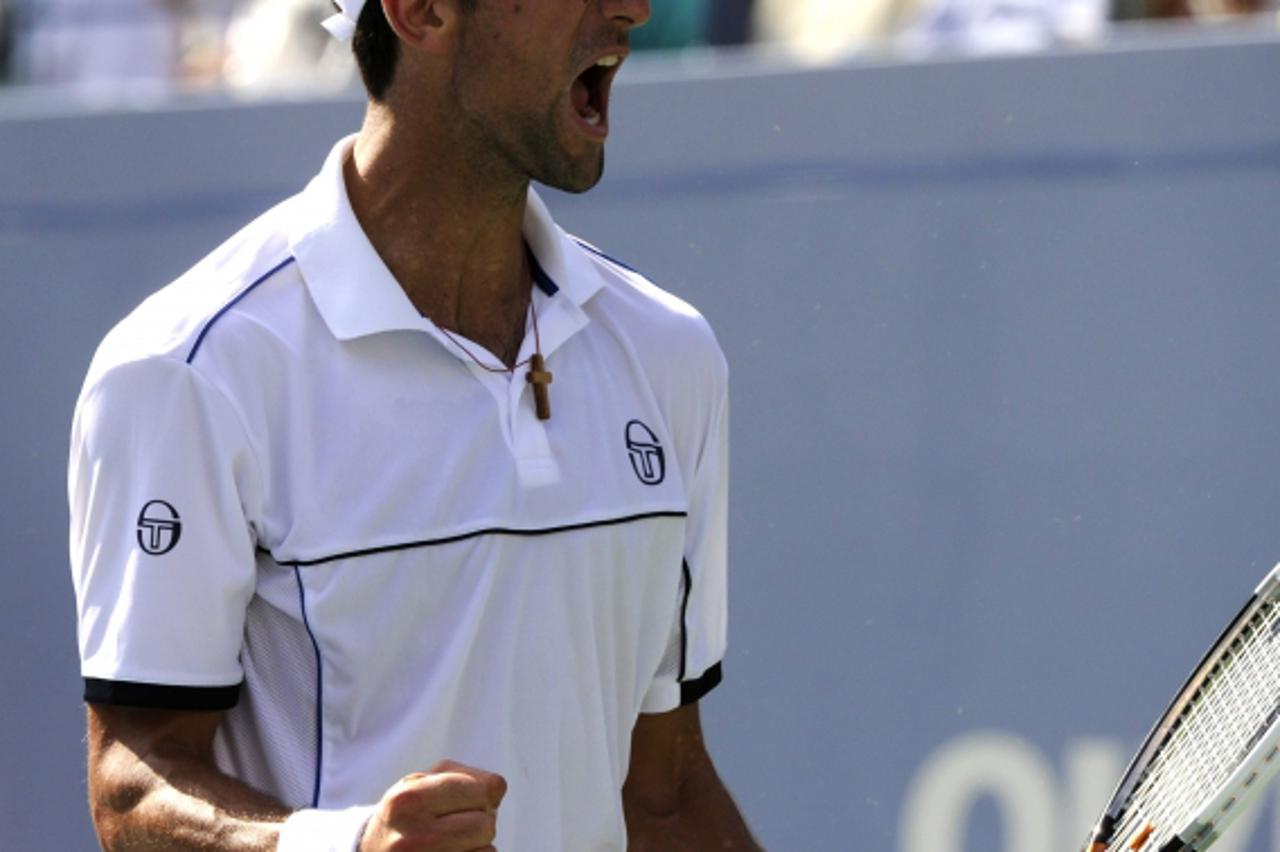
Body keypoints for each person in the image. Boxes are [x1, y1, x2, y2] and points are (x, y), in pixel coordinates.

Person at [67, 0, 760, 850]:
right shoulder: (186, 370)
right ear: (423, 11)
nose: (634, 9)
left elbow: (665, 795)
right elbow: (132, 788)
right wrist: (343, 845)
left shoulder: (668, 353)